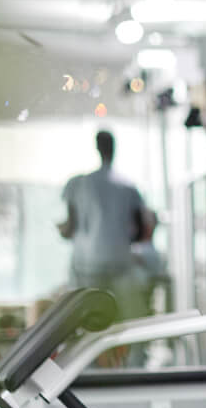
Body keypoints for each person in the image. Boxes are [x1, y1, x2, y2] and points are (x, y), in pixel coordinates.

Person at [57, 129, 155, 308]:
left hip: (86, 265)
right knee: (118, 317)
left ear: (97, 148)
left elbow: (70, 228)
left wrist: (62, 230)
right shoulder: (128, 187)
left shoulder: (78, 184)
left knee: (89, 315)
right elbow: (141, 231)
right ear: (114, 149)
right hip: (119, 263)